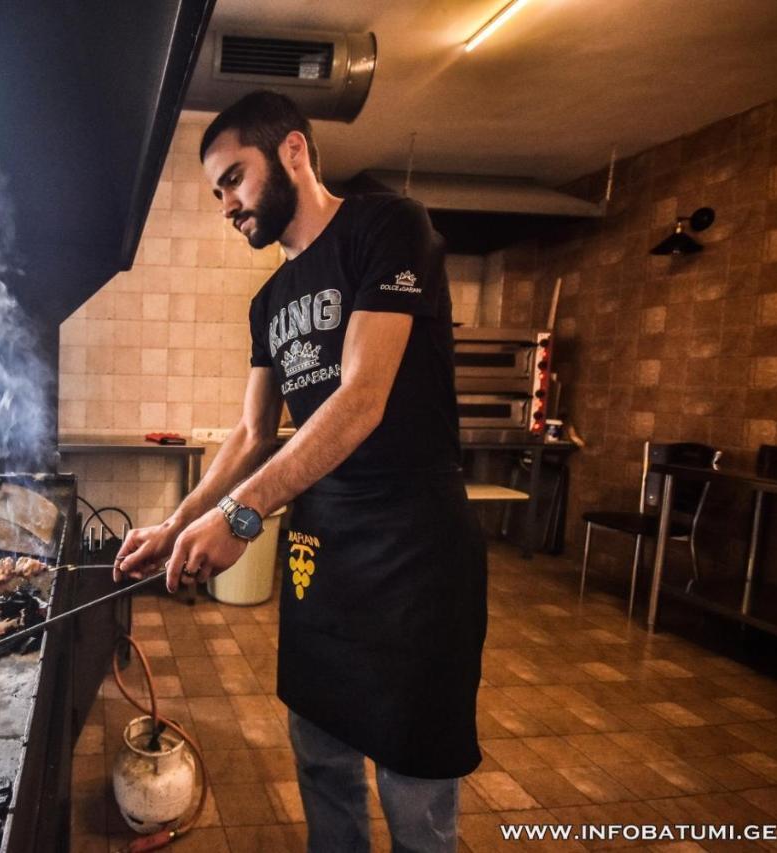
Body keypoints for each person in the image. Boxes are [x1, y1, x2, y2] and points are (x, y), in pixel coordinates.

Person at [114, 90, 487, 853]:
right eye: (217, 190)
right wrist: (178, 521)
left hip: (414, 554)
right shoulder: (268, 300)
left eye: (234, 178)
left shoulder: (388, 228)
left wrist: (243, 517)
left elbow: (361, 399)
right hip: (324, 555)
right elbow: (253, 432)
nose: (227, 204)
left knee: (413, 794)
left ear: (292, 151)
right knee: (322, 763)